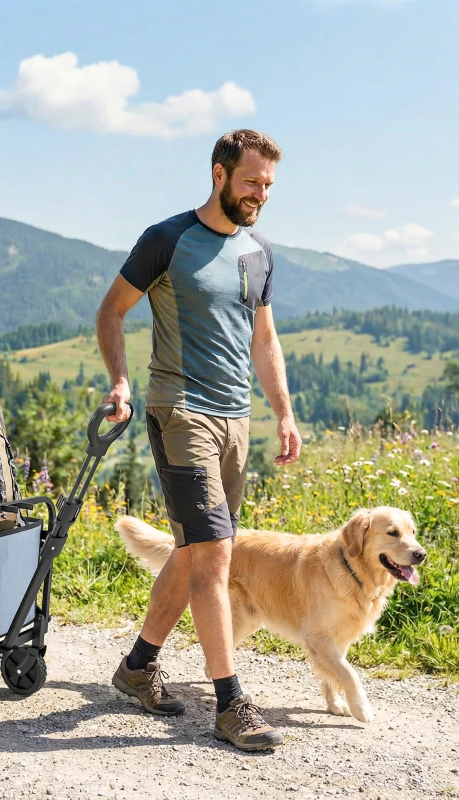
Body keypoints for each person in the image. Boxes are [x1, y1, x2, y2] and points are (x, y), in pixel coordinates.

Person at [95, 129, 302, 751]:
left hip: (236, 418)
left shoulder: (259, 251)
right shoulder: (168, 240)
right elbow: (111, 312)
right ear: (219, 174)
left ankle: (136, 667)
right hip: (179, 411)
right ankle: (231, 702)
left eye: (267, 185)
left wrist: (284, 414)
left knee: (191, 552)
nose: (259, 195)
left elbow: (264, 341)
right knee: (215, 555)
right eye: (250, 182)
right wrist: (122, 381)